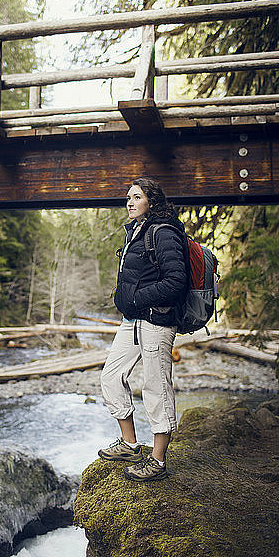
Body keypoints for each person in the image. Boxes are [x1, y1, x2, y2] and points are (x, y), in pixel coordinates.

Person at [98, 177, 187, 481]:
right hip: (132, 320)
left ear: (152, 201)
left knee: (155, 388)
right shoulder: (137, 231)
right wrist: (125, 300)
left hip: (157, 321)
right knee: (110, 377)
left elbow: (176, 281)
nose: (130, 202)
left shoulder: (164, 232)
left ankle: (158, 461)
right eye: (128, 198)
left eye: (136, 196)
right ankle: (130, 444)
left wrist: (137, 298)